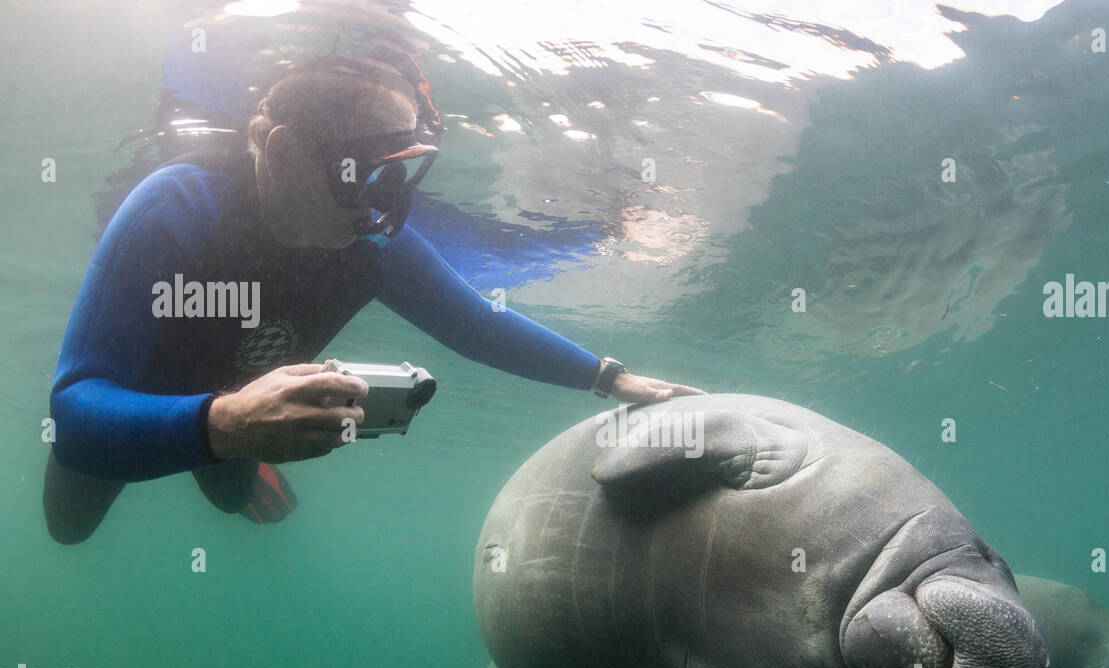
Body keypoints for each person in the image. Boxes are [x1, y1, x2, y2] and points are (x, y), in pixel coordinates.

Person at [45, 60, 702, 543]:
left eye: (400, 172)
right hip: (155, 411)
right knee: (65, 527)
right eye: (360, 173)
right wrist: (225, 425)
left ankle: (227, 460)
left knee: (225, 501)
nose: (380, 207)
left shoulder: (373, 240)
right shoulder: (176, 212)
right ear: (281, 154)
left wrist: (612, 378)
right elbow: (74, 415)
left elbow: (475, 325)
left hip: (242, 417)